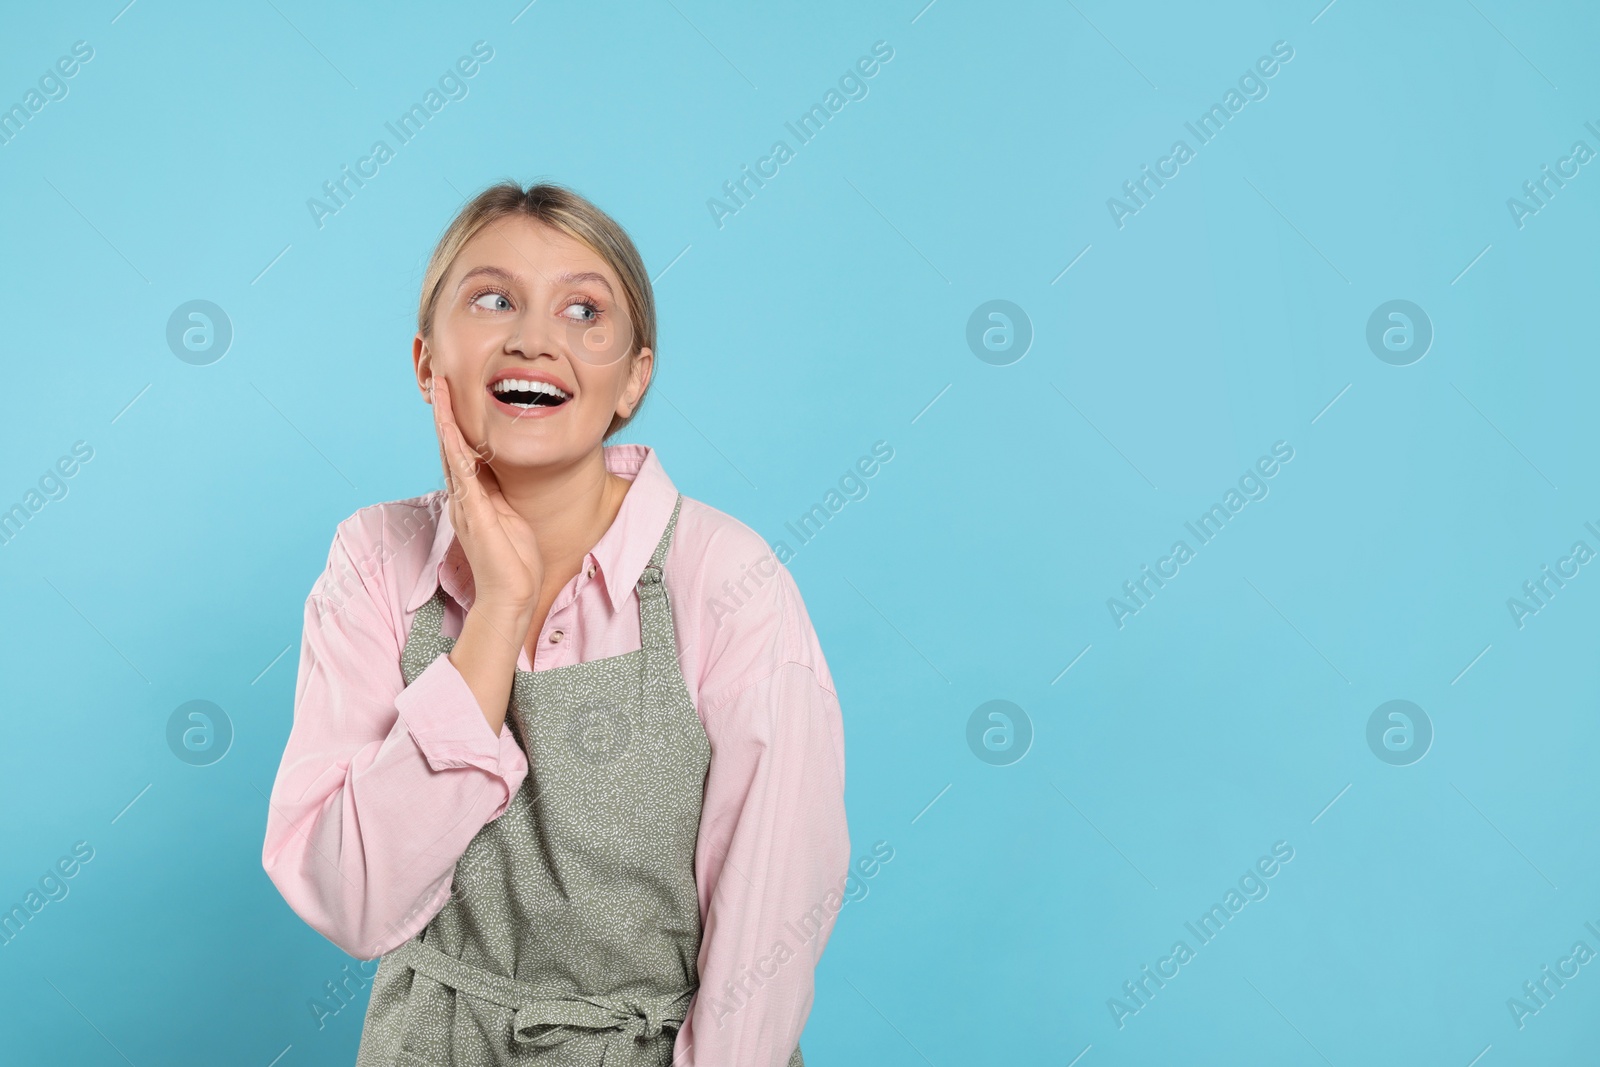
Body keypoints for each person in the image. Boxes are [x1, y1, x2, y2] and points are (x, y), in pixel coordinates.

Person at [261, 181, 850, 1066]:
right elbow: (352, 901)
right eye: (492, 299)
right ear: (428, 363)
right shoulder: (376, 559)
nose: (534, 337)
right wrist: (497, 609)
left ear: (633, 379)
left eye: (584, 311)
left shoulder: (725, 578)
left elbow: (770, 927)